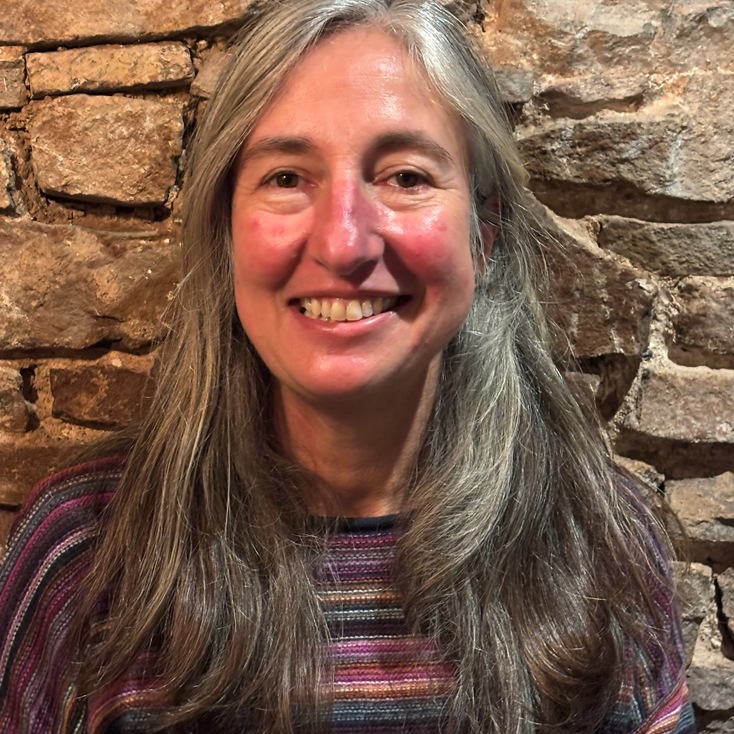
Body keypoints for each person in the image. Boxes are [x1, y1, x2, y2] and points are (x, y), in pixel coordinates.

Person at [0, 1, 695, 732]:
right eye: (286, 177)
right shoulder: (83, 552)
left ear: (484, 235)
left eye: (405, 176)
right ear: (226, 231)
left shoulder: (600, 540)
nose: (343, 243)